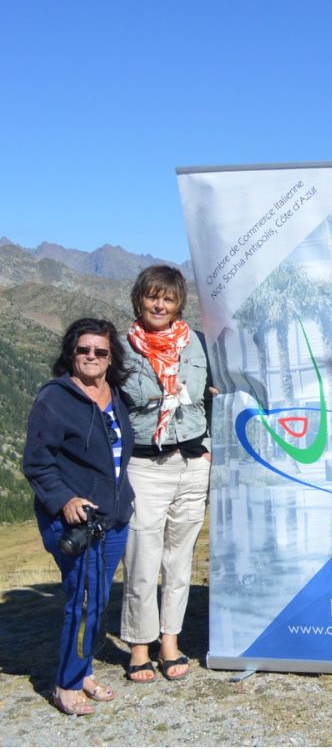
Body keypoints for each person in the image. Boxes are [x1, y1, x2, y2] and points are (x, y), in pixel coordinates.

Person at [24, 318, 136, 714]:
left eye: (100, 351)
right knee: (84, 601)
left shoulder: (116, 395)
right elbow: (38, 464)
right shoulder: (54, 398)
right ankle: (67, 683)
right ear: (71, 353)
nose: (91, 356)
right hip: (76, 521)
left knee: (97, 598)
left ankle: (83, 670)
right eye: (83, 350)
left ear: (110, 357)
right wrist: (64, 499)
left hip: (114, 518)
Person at [120, 265, 213, 683]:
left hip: (193, 463)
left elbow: (216, 393)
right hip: (145, 465)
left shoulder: (197, 343)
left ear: (179, 304)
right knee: (142, 557)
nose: (160, 304)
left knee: (179, 560)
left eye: (168, 298)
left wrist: (209, 447)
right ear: (139, 299)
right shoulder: (121, 348)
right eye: (153, 297)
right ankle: (139, 646)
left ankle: (169, 641)